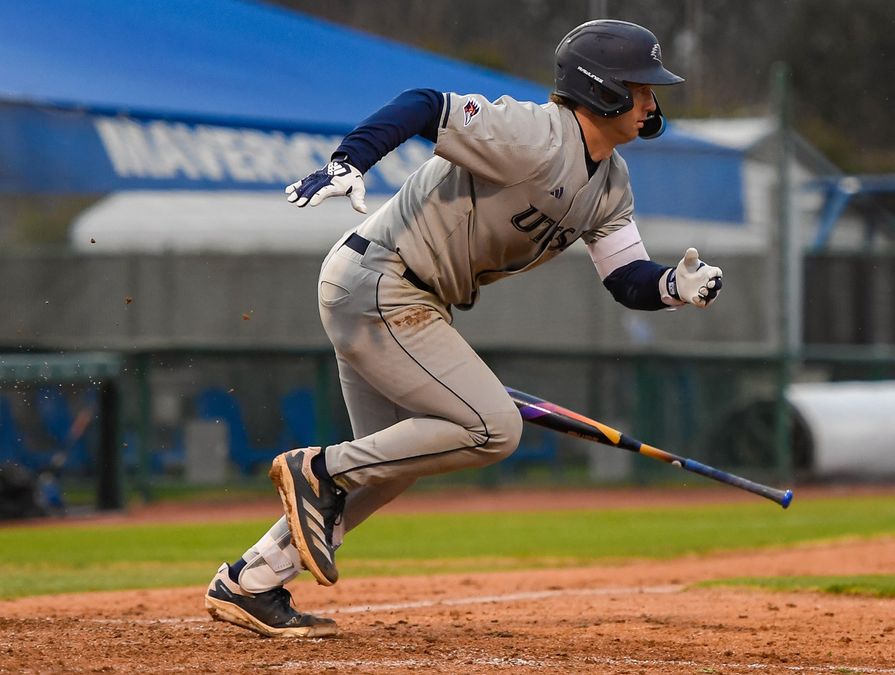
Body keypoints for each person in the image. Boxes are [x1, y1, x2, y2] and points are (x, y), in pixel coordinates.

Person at [203, 19, 724, 638]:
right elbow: (426, 104)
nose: (651, 101)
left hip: (400, 296)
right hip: (383, 282)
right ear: (602, 88)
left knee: (391, 465)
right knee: (492, 429)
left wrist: (671, 287)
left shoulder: (610, 182)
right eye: (640, 87)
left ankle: (252, 581)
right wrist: (350, 160)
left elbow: (625, 277)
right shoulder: (535, 134)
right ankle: (320, 469)